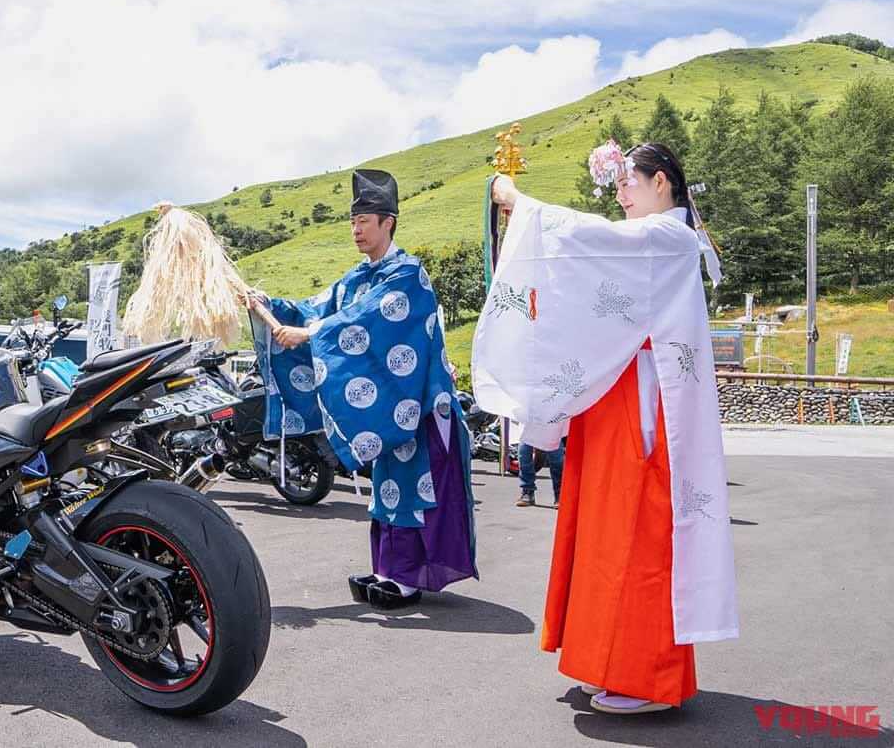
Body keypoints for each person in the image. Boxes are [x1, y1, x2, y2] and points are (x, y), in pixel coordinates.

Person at [472, 141, 738, 715]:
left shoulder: (668, 236)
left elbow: (587, 240)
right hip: (619, 394)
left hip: (647, 402)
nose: (620, 196)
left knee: (640, 536)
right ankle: (610, 660)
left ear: (661, 183)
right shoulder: (658, 239)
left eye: (629, 184)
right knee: (605, 531)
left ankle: (648, 676)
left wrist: (520, 202)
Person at [247, 169, 478, 609]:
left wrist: (311, 333)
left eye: (364, 221)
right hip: (385, 406)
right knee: (386, 485)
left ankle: (407, 578)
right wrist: (269, 304)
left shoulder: (409, 274)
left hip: (421, 404)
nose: (356, 230)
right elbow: (316, 307)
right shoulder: (356, 278)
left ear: (388, 221)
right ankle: (386, 568)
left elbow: (367, 319)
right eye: (352, 222)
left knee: (411, 485)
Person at [516, 439, 564, 507]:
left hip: (552, 430)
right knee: (524, 452)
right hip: (530, 430)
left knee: (556, 459)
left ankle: (560, 495)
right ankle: (527, 491)